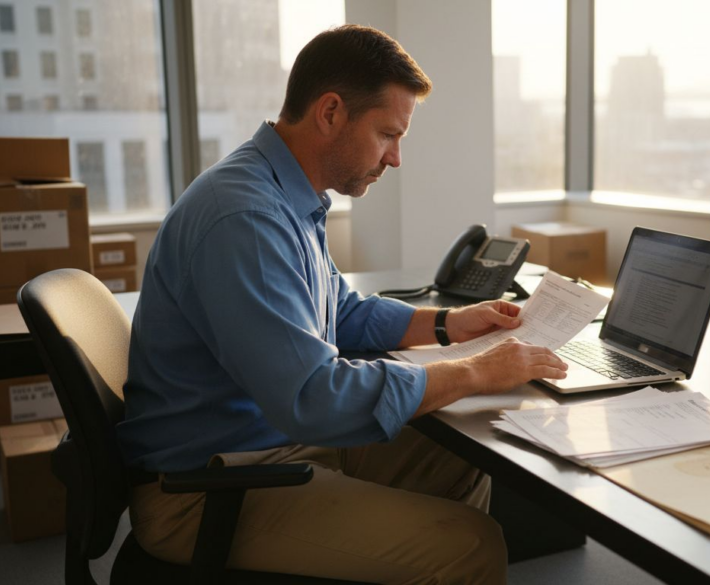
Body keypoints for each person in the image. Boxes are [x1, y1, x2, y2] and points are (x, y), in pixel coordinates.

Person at [117, 24, 568, 584]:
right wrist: (474, 371)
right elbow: (312, 396)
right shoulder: (247, 219)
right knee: (471, 547)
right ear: (330, 113)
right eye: (386, 134)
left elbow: (342, 313)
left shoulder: (286, 196)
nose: (397, 158)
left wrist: (450, 324)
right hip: (208, 491)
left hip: (266, 448)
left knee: (460, 449)